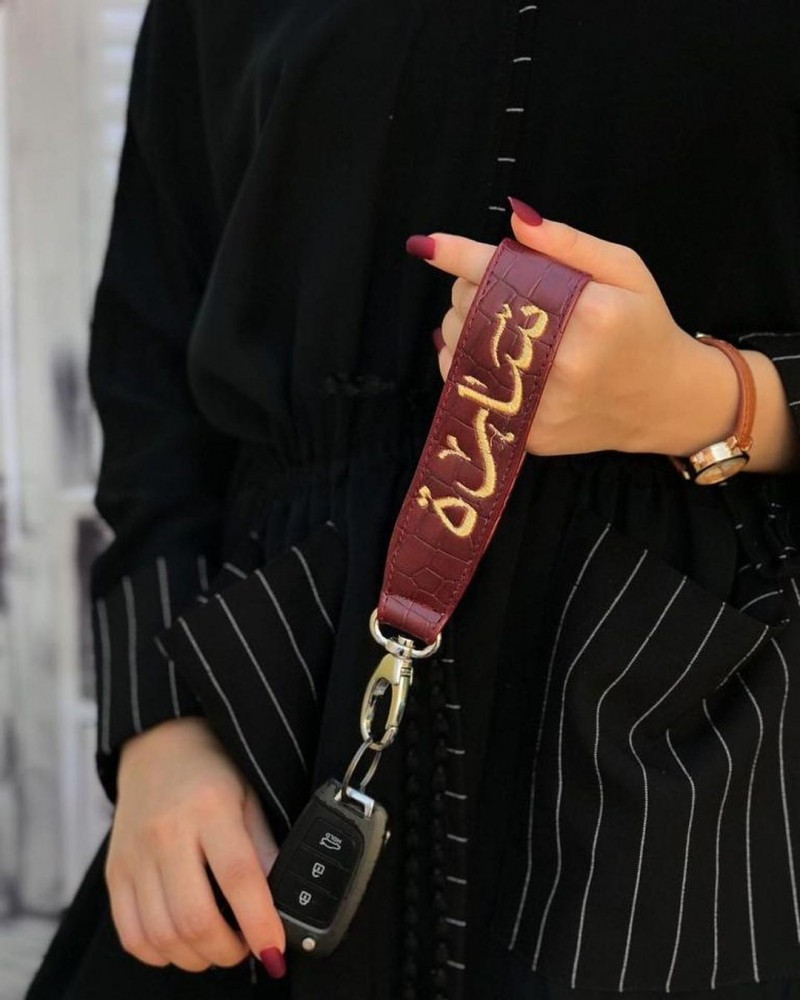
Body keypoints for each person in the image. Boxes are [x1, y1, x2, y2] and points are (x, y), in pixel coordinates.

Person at [25, 1, 800, 998]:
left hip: (698, 757)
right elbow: (154, 353)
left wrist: (717, 398)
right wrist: (158, 728)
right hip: (267, 719)